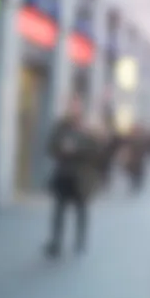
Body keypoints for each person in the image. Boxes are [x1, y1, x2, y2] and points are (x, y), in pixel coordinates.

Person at [44, 99, 99, 258]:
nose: (74, 111)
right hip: (63, 175)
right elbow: (50, 147)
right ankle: (56, 242)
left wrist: (76, 149)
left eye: (77, 108)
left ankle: (80, 242)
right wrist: (62, 149)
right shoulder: (61, 128)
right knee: (59, 210)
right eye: (71, 108)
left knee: (81, 211)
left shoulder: (89, 129)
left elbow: (96, 151)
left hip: (81, 178)